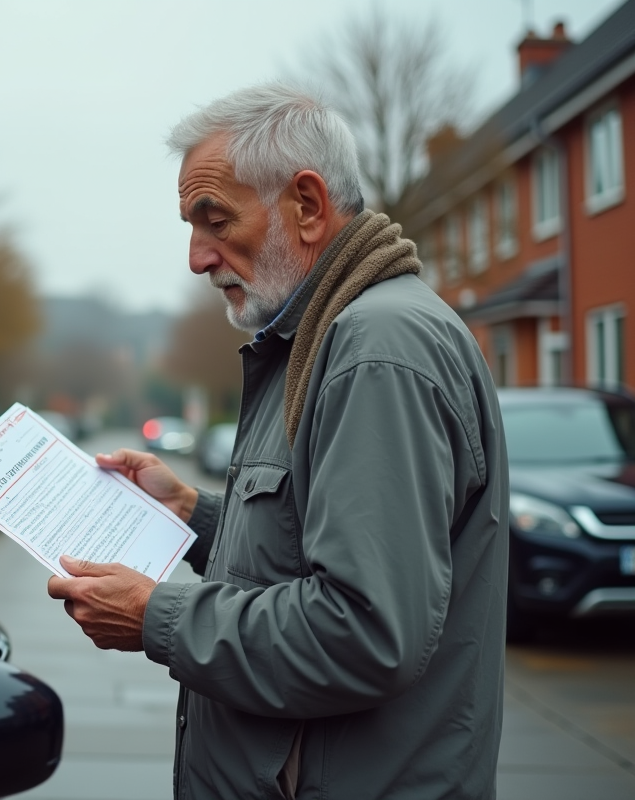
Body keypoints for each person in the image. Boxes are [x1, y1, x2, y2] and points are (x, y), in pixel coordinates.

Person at [47, 84, 508, 800]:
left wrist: (155, 616)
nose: (198, 258)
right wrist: (192, 515)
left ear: (309, 205)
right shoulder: (316, 337)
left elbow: (365, 632)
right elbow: (308, 546)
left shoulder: (373, 350)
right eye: (190, 225)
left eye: (215, 219)